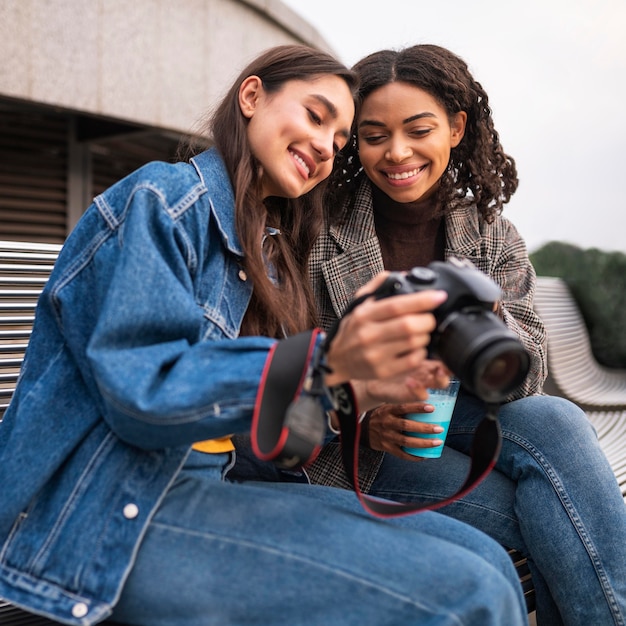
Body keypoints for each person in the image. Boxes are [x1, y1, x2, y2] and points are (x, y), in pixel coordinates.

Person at [0, 45, 528, 626]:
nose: (327, 145)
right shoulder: (164, 200)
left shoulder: (270, 250)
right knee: (471, 592)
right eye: (315, 115)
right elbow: (141, 398)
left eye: (342, 139)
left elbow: (276, 446)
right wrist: (322, 363)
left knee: (486, 560)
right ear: (251, 98)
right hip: (110, 515)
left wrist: (354, 389)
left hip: (218, 487)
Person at [303, 44, 626, 625]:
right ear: (355, 140)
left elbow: (527, 375)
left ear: (454, 128)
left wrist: (486, 317)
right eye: (374, 135)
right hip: (381, 443)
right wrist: (360, 416)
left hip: (479, 411)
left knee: (559, 420)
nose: (397, 152)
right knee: (556, 514)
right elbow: (289, 364)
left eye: (417, 129)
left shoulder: (489, 233)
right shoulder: (318, 233)